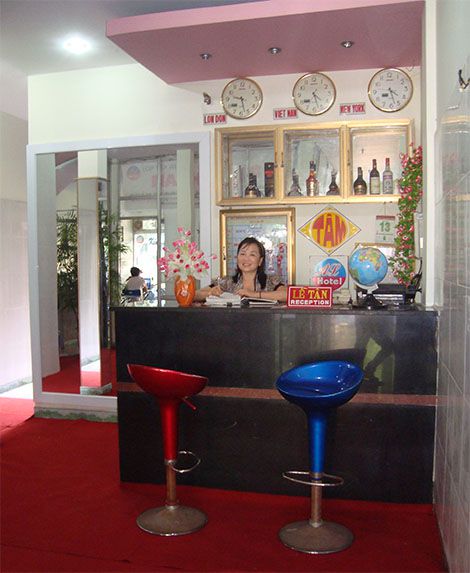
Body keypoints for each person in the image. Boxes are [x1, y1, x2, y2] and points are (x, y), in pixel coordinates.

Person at [195, 237, 287, 303]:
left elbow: (287, 295)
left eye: (252, 255)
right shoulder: (227, 282)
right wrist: (210, 293)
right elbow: (194, 295)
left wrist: (253, 294)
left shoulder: (271, 281)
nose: (246, 259)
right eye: (242, 254)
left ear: (260, 261)